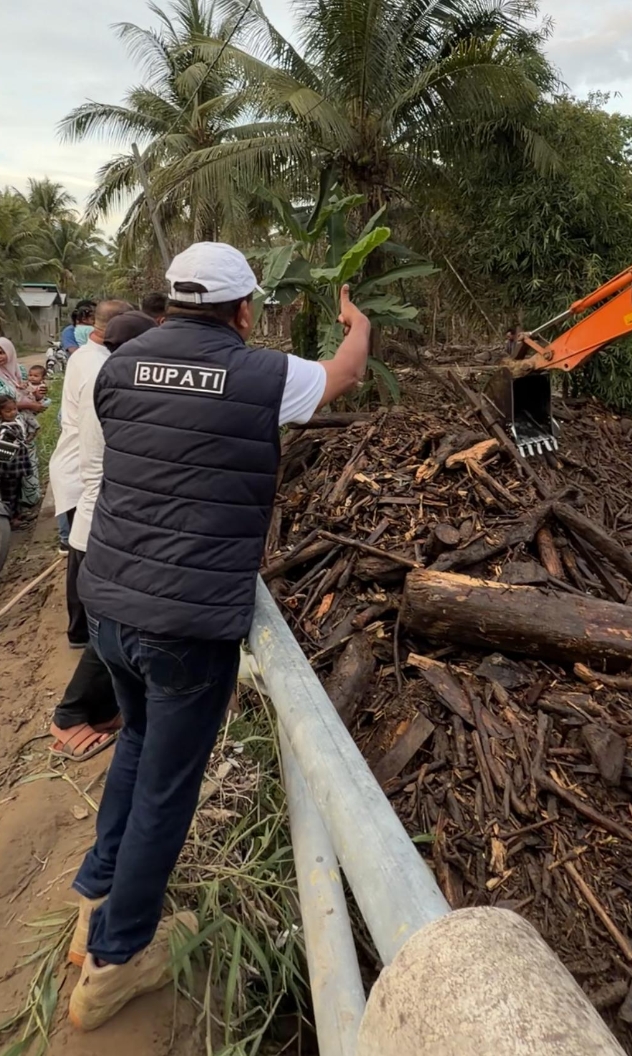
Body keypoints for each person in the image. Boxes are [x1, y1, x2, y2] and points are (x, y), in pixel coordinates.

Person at [66, 242, 370, 1031]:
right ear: (242, 310)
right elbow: (345, 374)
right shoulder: (263, 374)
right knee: (167, 787)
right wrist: (356, 323)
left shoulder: (116, 366)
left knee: (136, 745)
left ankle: (94, 902)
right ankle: (116, 960)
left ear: (171, 300)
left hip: (110, 606)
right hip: (184, 623)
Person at [49, 311, 157, 763]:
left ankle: (103, 708)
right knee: (113, 628)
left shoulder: (106, 374)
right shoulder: (111, 384)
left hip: (98, 523)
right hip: (103, 528)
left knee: (112, 628)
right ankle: (70, 716)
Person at [49, 301, 132, 649]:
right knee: (85, 552)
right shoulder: (102, 368)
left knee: (81, 550)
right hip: (84, 469)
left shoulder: (86, 356)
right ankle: (83, 632)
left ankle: (82, 630)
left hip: (76, 465)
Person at [0, 337, 46, 518]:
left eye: (2, 352)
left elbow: (27, 391)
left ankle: (27, 502)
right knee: (8, 469)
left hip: (22, 427)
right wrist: (28, 405)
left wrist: (37, 397)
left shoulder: (18, 371)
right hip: (6, 431)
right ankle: (10, 512)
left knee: (25, 463)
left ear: (10, 352)